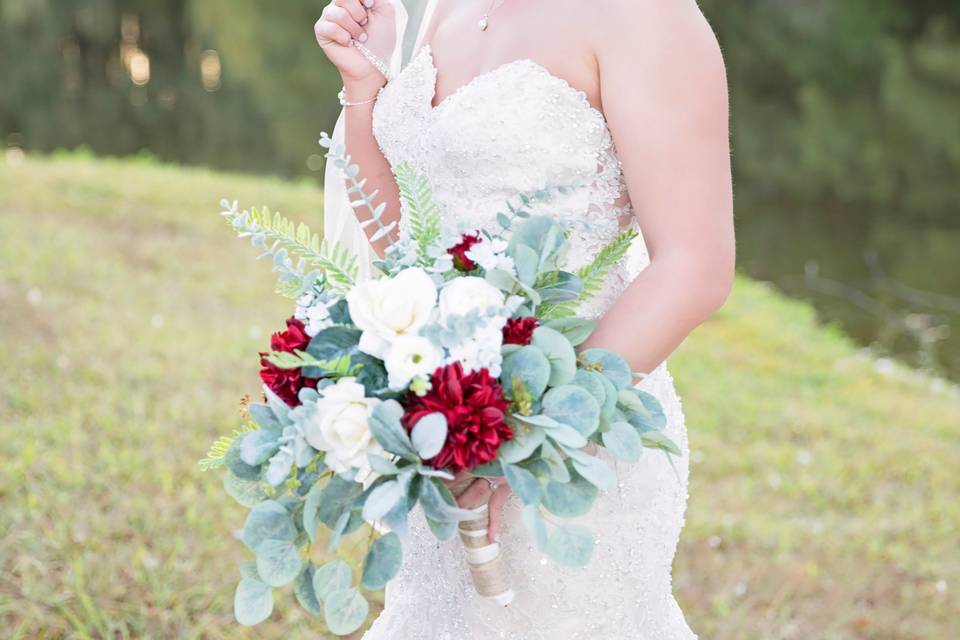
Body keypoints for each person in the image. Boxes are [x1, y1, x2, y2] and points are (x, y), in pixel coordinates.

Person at [316, 0, 734, 636]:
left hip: (577, 428)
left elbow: (695, 266)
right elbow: (401, 244)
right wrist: (363, 87)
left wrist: (518, 439)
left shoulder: (648, 17)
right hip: (442, 425)